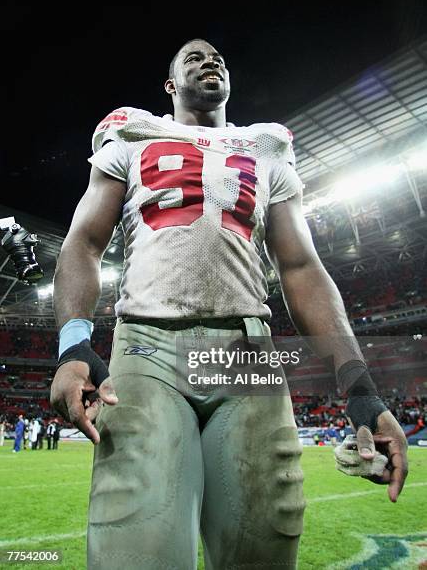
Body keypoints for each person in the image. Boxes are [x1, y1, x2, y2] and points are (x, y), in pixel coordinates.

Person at [50, 39, 408, 570]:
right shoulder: (131, 134)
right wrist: (73, 344)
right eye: (192, 58)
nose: (208, 61)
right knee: (134, 549)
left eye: (216, 57)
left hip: (248, 355)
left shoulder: (266, 148)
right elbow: (82, 242)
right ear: (171, 85)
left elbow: (301, 267)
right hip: (147, 347)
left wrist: (360, 388)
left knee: (265, 542)